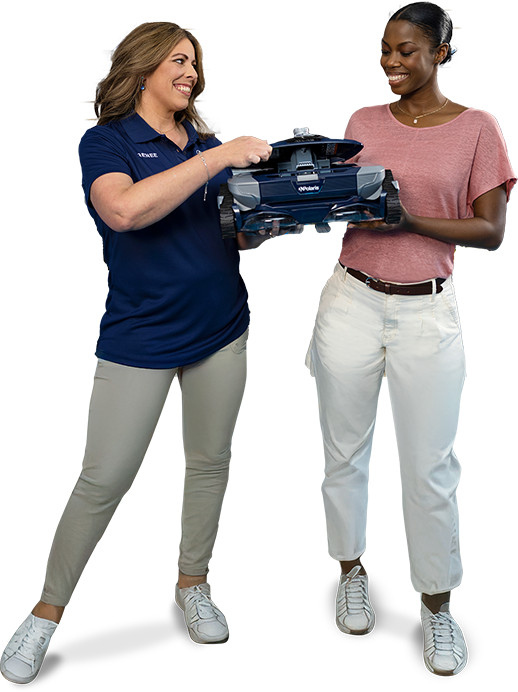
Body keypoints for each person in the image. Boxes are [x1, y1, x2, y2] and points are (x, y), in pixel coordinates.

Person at [1, 20, 278, 684]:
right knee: (103, 481)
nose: (190, 71)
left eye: (196, 63)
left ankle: (193, 584)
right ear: (145, 67)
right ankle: (45, 613)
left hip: (222, 329)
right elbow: (123, 212)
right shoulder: (106, 142)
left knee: (210, 463)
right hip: (140, 340)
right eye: (178, 60)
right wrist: (215, 159)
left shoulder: (204, 140)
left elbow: (230, 240)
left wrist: (267, 225)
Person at [305, 1, 515, 677]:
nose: (392, 63)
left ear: (441, 51)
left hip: (427, 313)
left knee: (428, 469)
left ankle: (437, 607)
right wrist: (295, 200)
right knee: (344, 453)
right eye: (385, 51)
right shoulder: (362, 122)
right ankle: (351, 570)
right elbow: (345, 204)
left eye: (407, 51)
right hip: (351, 300)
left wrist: (410, 219)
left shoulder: (479, 128)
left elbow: (491, 233)